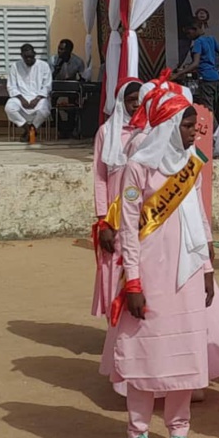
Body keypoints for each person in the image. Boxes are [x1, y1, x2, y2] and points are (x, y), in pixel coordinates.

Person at [103, 87, 211, 438]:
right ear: (165, 126)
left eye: (192, 125)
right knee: (145, 355)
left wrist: (208, 269)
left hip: (188, 271)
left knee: (184, 356)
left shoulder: (192, 163)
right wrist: (132, 279)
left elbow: (198, 216)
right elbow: (128, 227)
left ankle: (179, 433)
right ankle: (138, 434)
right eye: (184, 125)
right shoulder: (138, 167)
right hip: (148, 272)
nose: (192, 132)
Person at [92, 78, 143, 320]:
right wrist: (103, 220)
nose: (135, 105)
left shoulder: (151, 130)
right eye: (130, 101)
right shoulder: (106, 132)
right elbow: (100, 177)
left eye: (139, 101)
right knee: (115, 264)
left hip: (144, 213)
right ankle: (116, 322)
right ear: (121, 103)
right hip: (114, 213)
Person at [175, 21, 219, 114]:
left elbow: (195, 63)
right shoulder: (211, 39)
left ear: (195, 29)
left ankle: (214, 128)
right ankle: (216, 126)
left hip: (206, 78)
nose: (188, 36)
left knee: (207, 110)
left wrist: (178, 74)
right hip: (216, 78)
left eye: (188, 33)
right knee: (214, 107)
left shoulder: (198, 42)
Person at [5, 44, 52, 143]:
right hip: (20, 97)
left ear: (35, 54)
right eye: (26, 57)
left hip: (39, 97)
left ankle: (31, 130)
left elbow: (47, 86)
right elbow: (11, 86)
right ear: (21, 56)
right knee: (9, 108)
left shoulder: (44, 66)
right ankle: (29, 129)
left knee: (44, 110)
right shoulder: (15, 66)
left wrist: (37, 99)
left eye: (31, 56)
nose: (29, 59)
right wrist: (22, 99)